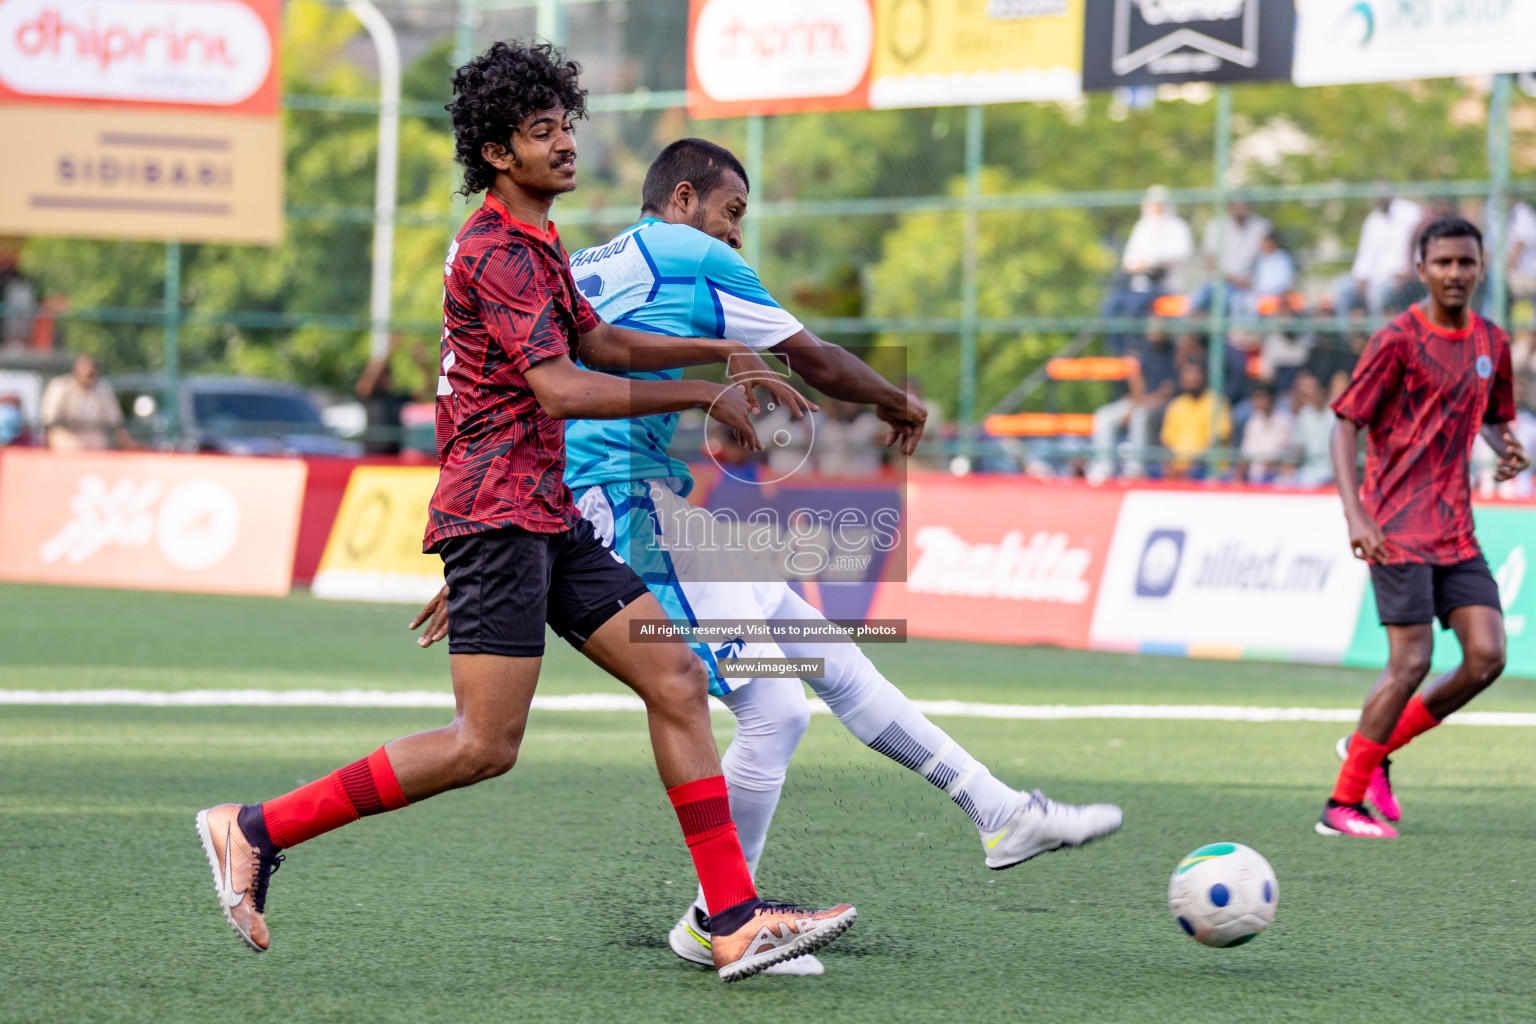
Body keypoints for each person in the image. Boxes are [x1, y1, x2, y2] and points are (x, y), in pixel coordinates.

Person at [194, 43, 858, 982]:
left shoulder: (538, 240)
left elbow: (597, 338)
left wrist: (724, 355)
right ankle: (255, 828)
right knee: (482, 747)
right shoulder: (498, 250)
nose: (565, 144)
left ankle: (734, 919)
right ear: (498, 151)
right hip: (501, 521)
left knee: (674, 678)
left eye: (566, 126)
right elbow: (557, 386)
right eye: (542, 131)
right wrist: (695, 397)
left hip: (541, 516)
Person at [414, 136, 1123, 977]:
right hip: (622, 511)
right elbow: (814, 358)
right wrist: (899, 401)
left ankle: (996, 812)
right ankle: (725, 920)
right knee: (773, 708)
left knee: (823, 660)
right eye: (732, 212)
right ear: (682, 200)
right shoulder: (690, 255)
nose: (738, 235)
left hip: (613, 503)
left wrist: (509, 544)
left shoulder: (595, 259)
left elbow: (506, 395)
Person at [1319, 216, 1529, 839]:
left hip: (1456, 530)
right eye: (1443, 264)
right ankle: (1342, 804)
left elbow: (1490, 413)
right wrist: (1356, 513)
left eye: (1466, 263)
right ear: (1422, 270)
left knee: (1487, 658)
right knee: (1410, 662)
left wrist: (1504, 443)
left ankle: (1377, 750)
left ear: (1481, 266)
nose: (1455, 274)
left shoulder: (1493, 341)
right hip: (1396, 527)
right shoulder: (1397, 340)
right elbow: (1344, 423)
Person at [1102, 186, 1192, 352]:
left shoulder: (1177, 227)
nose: (1156, 209)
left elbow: (1180, 253)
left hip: (1164, 285)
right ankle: (1119, 350)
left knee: (1137, 307)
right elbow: (1129, 259)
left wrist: (1150, 261)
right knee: (1111, 306)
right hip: (1138, 284)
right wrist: (1138, 265)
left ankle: (1138, 348)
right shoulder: (1143, 226)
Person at [1090, 321, 1178, 479]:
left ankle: (1135, 469)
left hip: (1160, 405)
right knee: (1104, 416)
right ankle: (1104, 468)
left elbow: (1167, 391)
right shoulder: (1143, 351)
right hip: (1138, 401)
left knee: (1140, 417)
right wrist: (1135, 403)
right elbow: (1136, 381)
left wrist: (1140, 403)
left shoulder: (1174, 354)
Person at [1331, 187, 1422, 321]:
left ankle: (1376, 336)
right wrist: (1361, 277)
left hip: (1398, 276)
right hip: (1375, 276)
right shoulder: (1373, 220)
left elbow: (1418, 247)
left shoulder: (1411, 213)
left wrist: (1409, 271)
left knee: (1377, 292)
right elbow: (1365, 254)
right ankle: (1347, 339)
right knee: (1340, 288)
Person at [39, 354, 133, 450]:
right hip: (67, 432)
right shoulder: (61, 387)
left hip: (93, 434)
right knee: (65, 441)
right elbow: (48, 419)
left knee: (97, 442)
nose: (88, 375)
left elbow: (115, 421)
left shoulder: (102, 389)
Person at [1192, 201, 1269, 315]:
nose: (1241, 209)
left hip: (1248, 286)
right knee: (1194, 303)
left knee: (1229, 303)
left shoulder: (1261, 226)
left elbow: (1268, 259)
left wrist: (1250, 281)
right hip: (1218, 281)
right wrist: (1233, 279)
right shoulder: (1216, 225)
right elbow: (1210, 262)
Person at [1159, 362, 1230, 479]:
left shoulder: (1216, 403)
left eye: (1196, 378)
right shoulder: (1177, 404)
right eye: (1188, 379)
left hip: (1206, 468)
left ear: (1204, 379)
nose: (1192, 381)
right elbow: (1166, 441)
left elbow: (1218, 439)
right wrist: (1169, 467)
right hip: (1177, 470)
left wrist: (1192, 467)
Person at [1286, 370, 1333, 486]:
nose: (1313, 394)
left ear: (1324, 392)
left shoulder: (1336, 414)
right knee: (1283, 482)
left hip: (1331, 470)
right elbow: (1297, 445)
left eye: (1316, 390)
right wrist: (1289, 465)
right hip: (1307, 470)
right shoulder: (1305, 413)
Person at [1237, 384, 1290, 483]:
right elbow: (1246, 454)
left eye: (1261, 398)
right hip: (1253, 474)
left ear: (1271, 399)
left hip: (1273, 474)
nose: (1257, 402)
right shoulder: (1253, 421)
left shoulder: (1284, 421)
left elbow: (1279, 455)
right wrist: (1238, 476)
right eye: (1255, 398)